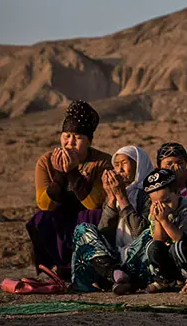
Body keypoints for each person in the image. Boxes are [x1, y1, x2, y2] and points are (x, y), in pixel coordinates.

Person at [27, 100, 112, 279]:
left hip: (87, 219)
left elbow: (95, 203)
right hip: (60, 216)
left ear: (89, 141)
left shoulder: (103, 162)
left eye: (78, 137)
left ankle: (93, 267)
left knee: (91, 216)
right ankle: (54, 268)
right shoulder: (46, 161)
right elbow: (45, 205)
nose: (70, 143)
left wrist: (73, 173)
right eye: (66, 136)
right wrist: (59, 174)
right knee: (41, 218)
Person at [71, 145, 154, 294]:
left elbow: (140, 232)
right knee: (82, 229)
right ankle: (114, 273)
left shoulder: (150, 194)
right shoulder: (114, 194)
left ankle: (123, 279)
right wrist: (111, 198)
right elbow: (104, 233)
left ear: (139, 165)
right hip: (114, 257)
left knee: (150, 234)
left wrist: (122, 199)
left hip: (137, 258)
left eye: (124, 163)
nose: (119, 169)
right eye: (116, 165)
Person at [144, 168, 187, 294]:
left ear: (178, 192)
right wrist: (158, 221)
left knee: (178, 247)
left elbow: (181, 238)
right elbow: (159, 240)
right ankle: (165, 280)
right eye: (156, 203)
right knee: (152, 246)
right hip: (173, 260)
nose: (162, 206)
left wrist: (164, 221)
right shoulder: (155, 213)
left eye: (167, 201)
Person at [155, 142, 187, 212]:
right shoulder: (153, 184)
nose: (176, 167)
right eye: (169, 164)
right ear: (159, 167)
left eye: (180, 163)